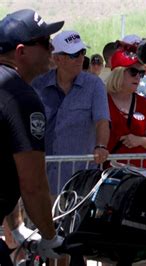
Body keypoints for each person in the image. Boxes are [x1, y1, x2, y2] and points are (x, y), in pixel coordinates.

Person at [0, 9, 65, 264]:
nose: (51, 49)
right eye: (43, 43)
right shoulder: (20, 97)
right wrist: (50, 237)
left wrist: (16, 226)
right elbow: (33, 184)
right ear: (21, 51)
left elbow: (6, 167)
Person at [32, 30, 110, 195]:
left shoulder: (95, 85)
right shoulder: (38, 84)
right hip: (41, 178)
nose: (81, 58)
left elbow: (102, 120)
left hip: (80, 181)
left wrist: (101, 146)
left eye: (82, 52)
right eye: (74, 54)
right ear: (57, 58)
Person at [106, 49, 146, 168]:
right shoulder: (101, 101)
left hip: (142, 177)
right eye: (133, 71)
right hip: (109, 175)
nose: (138, 77)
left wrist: (140, 140)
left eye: (141, 73)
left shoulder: (145, 104)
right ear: (118, 72)